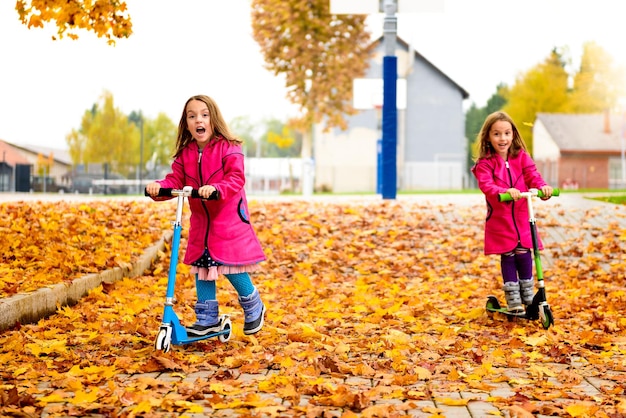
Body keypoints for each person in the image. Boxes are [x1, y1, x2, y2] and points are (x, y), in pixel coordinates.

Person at [146, 94, 266, 336]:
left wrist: (216, 188)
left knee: (229, 265)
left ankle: (253, 304)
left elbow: (235, 178)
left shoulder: (228, 147)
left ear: (213, 119)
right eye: (192, 116)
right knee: (203, 266)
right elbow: (175, 180)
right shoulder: (185, 154)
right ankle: (207, 318)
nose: (198, 120)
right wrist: (159, 187)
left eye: (204, 114)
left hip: (228, 219)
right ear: (186, 124)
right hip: (202, 222)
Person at [471, 111, 553, 313]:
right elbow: (487, 186)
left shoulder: (521, 157)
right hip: (501, 219)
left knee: (524, 251)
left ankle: (527, 294)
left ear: (513, 135)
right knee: (508, 254)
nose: (503, 138)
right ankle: (513, 299)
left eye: (507, 133)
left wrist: (543, 188)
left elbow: (533, 176)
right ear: (488, 137)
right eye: (497, 134)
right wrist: (504, 192)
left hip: (523, 217)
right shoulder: (485, 163)